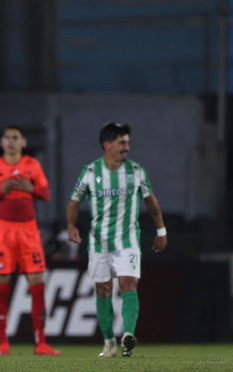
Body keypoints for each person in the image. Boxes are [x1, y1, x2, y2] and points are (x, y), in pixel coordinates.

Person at [66, 122, 167, 358]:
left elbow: (151, 202)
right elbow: (74, 202)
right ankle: (109, 342)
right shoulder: (90, 172)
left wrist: (161, 231)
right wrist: (71, 226)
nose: (127, 148)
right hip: (99, 242)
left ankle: (128, 335)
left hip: (128, 239)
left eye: (128, 143)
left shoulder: (136, 171)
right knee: (103, 290)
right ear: (107, 145)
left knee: (129, 285)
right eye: (122, 143)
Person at [0, 126, 61, 356]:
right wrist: (0, 191)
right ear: (2, 142)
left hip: (29, 232)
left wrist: (29, 188)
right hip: (3, 231)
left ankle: (41, 342)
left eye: (15, 138)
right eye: (7, 138)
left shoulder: (32, 165)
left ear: (23, 142)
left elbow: (46, 194)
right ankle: (3, 343)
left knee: (37, 285)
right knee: (2, 286)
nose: (11, 141)